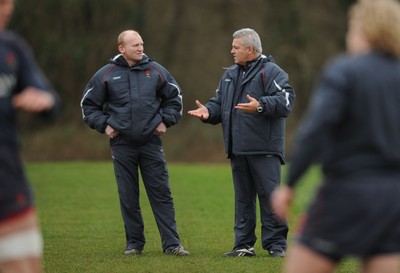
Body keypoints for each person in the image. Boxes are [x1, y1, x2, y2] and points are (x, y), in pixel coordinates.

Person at [271, 0, 400, 272]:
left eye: (351, 27)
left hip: (346, 194)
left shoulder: (345, 71)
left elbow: (316, 130)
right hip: (393, 200)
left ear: (367, 29)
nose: (348, 34)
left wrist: (290, 184)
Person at [188, 28, 295, 257]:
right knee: (243, 200)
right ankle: (243, 245)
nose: (231, 51)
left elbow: (286, 100)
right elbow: (219, 103)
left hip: (264, 148)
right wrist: (209, 111)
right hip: (237, 149)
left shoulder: (271, 72)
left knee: (270, 197)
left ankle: (276, 246)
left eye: (235, 47)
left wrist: (261, 105)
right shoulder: (229, 75)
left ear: (249, 48)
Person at [81, 30, 189, 256]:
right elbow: (88, 105)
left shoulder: (157, 71)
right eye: (135, 45)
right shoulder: (106, 74)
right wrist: (104, 125)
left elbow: (175, 98)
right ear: (121, 49)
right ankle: (134, 244)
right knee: (128, 196)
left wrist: (165, 121)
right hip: (121, 145)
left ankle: (172, 245)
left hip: (151, 143)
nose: (140, 48)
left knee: (161, 194)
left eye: (141, 44)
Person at [0, 0, 61, 272]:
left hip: (10, 188)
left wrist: (44, 99)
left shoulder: (13, 49)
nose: (5, 9)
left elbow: (51, 99)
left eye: (6, 2)